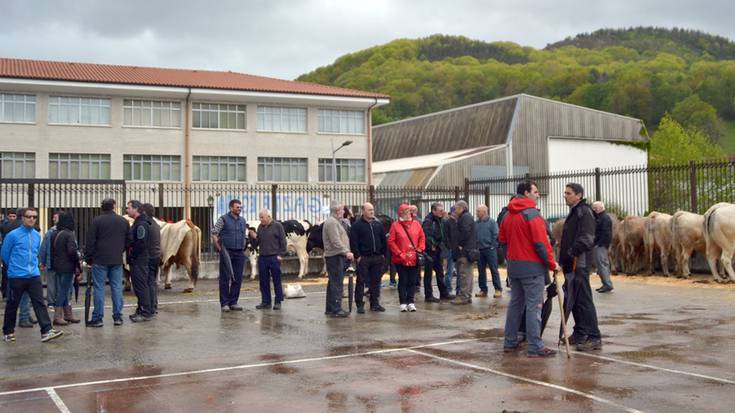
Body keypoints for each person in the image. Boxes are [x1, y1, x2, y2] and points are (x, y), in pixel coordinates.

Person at [499, 181, 559, 357]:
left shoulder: (507, 215)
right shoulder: (532, 214)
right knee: (534, 307)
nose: (538, 195)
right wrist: (552, 263)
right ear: (526, 193)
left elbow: (501, 240)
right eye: (535, 191)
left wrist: (510, 259)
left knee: (515, 305)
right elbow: (541, 243)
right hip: (532, 267)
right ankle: (535, 346)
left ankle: (510, 342)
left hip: (514, 266)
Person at [2, 207, 64, 343]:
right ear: (23, 218)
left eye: (34, 217)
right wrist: (14, 267)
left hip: (33, 275)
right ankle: (8, 332)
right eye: (29, 216)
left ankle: (46, 330)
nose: (31, 219)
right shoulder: (13, 235)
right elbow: (5, 254)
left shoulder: (36, 235)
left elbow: (36, 252)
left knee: (39, 303)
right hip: (17, 276)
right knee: (12, 304)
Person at [560, 183, 602, 352]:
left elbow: (587, 238)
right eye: (565, 192)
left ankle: (593, 336)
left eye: (568, 193)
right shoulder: (575, 212)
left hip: (580, 262)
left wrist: (572, 252)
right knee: (574, 299)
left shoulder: (584, 212)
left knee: (584, 300)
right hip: (571, 264)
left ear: (579, 195)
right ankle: (580, 332)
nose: (565, 195)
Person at [85, 198, 129, 327]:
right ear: (114, 207)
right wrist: (120, 250)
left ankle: (98, 318)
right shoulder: (123, 221)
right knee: (116, 288)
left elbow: (90, 241)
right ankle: (118, 317)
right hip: (116, 259)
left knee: (99, 288)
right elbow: (128, 240)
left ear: (102, 207)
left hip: (99, 259)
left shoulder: (96, 221)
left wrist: (89, 258)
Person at [350, 202, 387, 313]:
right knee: (361, 282)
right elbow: (353, 242)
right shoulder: (357, 225)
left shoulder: (378, 224)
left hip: (377, 257)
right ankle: (359, 305)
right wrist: (358, 256)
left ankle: (375, 304)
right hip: (364, 258)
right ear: (363, 211)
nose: (372, 212)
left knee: (376, 282)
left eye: (372, 210)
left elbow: (383, 241)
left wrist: (383, 255)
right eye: (369, 210)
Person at [212, 199, 247, 312]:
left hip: (239, 252)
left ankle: (234, 302)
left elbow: (244, 235)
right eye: (237, 207)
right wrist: (219, 248)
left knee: (237, 278)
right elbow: (214, 233)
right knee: (225, 278)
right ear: (231, 208)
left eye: (240, 207)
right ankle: (224, 303)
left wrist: (243, 247)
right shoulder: (223, 219)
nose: (239, 209)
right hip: (227, 252)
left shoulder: (242, 220)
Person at [388, 204, 425, 312]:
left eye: (409, 212)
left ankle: (411, 302)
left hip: (414, 257)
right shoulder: (395, 226)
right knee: (403, 280)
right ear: (401, 214)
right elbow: (391, 241)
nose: (408, 214)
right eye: (405, 212)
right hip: (401, 258)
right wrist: (399, 253)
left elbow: (422, 237)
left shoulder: (417, 224)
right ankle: (403, 302)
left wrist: (420, 249)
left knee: (412, 281)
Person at [1, 208, 33, 327]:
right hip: (23, 266)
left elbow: (4, 250)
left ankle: (14, 319)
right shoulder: (25, 228)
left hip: (12, 264)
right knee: (25, 293)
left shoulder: (6, 226)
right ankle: (24, 316)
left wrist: (10, 262)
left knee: (13, 294)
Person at [249, 208, 286, 310]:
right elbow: (257, 243)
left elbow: (283, 242)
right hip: (263, 257)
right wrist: (253, 237)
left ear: (268, 216)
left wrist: (281, 254)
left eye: (262, 217)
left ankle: (278, 301)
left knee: (276, 280)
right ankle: (266, 302)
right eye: (260, 217)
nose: (261, 219)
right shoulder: (260, 227)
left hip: (274, 257)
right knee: (263, 281)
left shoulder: (277, 226)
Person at [323, 201, 353, 317]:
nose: (343, 212)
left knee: (333, 283)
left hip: (336, 256)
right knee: (336, 283)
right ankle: (336, 308)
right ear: (337, 211)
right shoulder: (332, 223)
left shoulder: (335, 222)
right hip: (335, 256)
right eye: (341, 210)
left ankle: (331, 308)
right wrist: (346, 251)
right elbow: (335, 241)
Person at [50, 212, 81, 326]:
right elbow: (72, 251)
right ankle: (58, 316)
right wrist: (78, 261)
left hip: (57, 266)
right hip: (67, 267)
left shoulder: (54, 234)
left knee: (62, 290)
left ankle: (68, 315)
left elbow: (52, 251)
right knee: (64, 291)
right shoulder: (69, 235)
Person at [126, 200, 153, 323]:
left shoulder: (141, 224)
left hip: (139, 260)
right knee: (138, 286)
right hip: (138, 260)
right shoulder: (138, 223)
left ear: (136, 209)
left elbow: (140, 243)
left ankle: (145, 312)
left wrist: (133, 255)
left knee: (141, 286)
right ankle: (140, 309)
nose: (127, 210)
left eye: (129, 208)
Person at [449, 200, 477, 305]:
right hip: (467, 250)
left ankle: (464, 296)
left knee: (464, 274)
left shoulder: (465, 218)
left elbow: (465, 232)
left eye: (456, 208)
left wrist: (460, 244)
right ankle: (467, 295)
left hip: (465, 251)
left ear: (462, 208)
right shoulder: (466, 217)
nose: (455, 210)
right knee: (467, 274)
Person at [421, 202, 450, 302]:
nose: (443, 212)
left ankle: (444, 293)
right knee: (428, 274)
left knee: (440, 272)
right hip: (430, 250)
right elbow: (426, 234)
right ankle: (428, 295)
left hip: (438, 249)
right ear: (434, 210)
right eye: (440, 211)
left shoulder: (440, 219)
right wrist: (432, 244)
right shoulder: (428, 220)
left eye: (442, 210)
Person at [475, 204, 502, 298]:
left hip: (490, 250)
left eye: (478, 211)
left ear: (484, 212)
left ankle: (498, 289)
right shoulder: (476, 223)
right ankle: (483, 290)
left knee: (494, 270)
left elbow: (496, 234)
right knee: (480, 271)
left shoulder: (492, 222)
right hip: (480, 250)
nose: (476, 213)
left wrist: (492, 246)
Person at [40, 210, 63, 308]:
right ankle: (60, 301)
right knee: (61, 283)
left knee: (51, 284)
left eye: (55, 217)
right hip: (62, 263)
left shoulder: (49, 232)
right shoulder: (68, 232)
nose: (53, 219)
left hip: (51, 262)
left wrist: (43, 261)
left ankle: (51, 302)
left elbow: (43, 248)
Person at [141, 204, 161, 314]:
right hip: (156, 256)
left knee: (147, 283)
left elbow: (142, 242)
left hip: (148, 256)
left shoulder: (146, 224)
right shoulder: (156, 224)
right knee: (152, 282)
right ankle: (154, 305)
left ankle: (150, 307)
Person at [591, 201, 613, 293]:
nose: (594, 210)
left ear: (600, 208)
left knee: (602, 264)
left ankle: (607, 284)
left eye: (595, 208)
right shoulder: (602, 217)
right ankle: (605, 284)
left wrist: (599, 244)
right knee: (601, 265)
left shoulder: (604, 218)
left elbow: (606, 233)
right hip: (600, 245)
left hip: (600, 245)